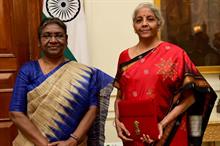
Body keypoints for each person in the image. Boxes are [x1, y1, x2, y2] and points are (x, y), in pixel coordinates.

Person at [113, 3, 217, 146]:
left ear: (159, 23)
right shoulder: (124, 57)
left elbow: (191, 98)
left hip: (167, 132)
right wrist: (117, 121)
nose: (144, 24)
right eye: (139, 20)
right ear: (134, 27)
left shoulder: (175, 54)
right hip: (133, 134)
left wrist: (161, 124)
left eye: (150, 19)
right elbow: (120, 96)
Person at [9, 17, 113, 146]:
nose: (53, 40)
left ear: (66, 40)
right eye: (47, 36)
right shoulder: (28, 70)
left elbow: (92, 109)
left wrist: (72, 140)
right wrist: (43, 144)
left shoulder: (84, 73)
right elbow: (16, 112)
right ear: (39, 42)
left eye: (59, 36)